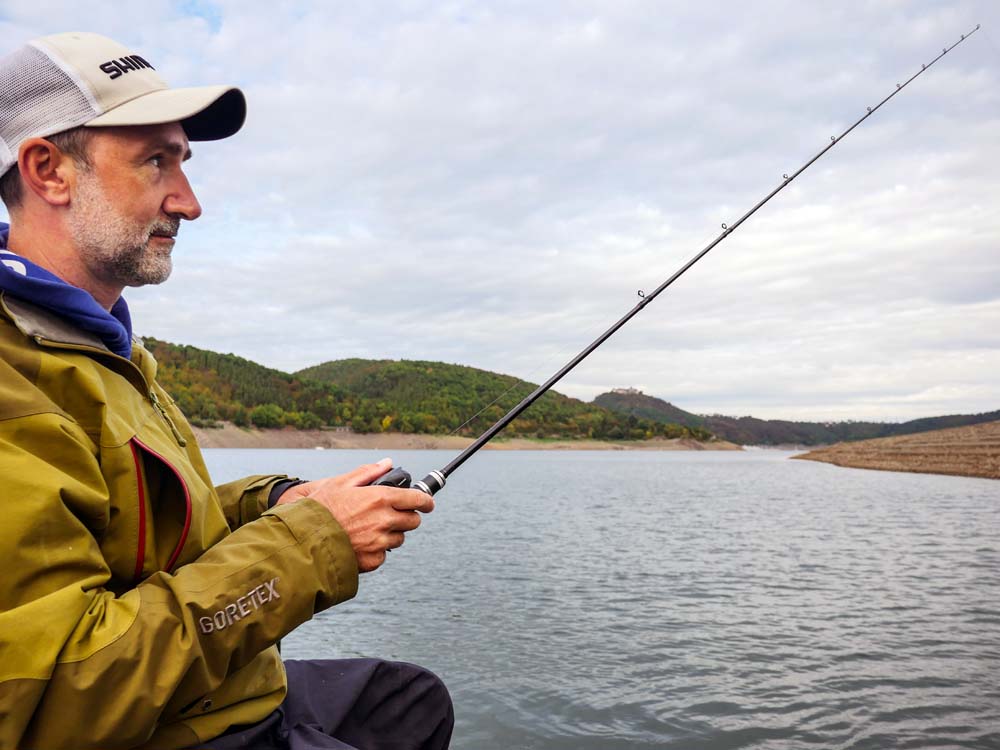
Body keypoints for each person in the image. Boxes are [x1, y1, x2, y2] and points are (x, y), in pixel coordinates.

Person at [0, 31, 453, 750]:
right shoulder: (15, 375)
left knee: (410, 700)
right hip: (184, 729)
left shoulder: (102, 347)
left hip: (227, 695)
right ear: (49, 170)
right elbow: (57, 695)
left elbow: (148, 533)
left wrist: (275, 503)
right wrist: (312, 542)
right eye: (157, 162)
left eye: (183, 162)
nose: (190, 202)